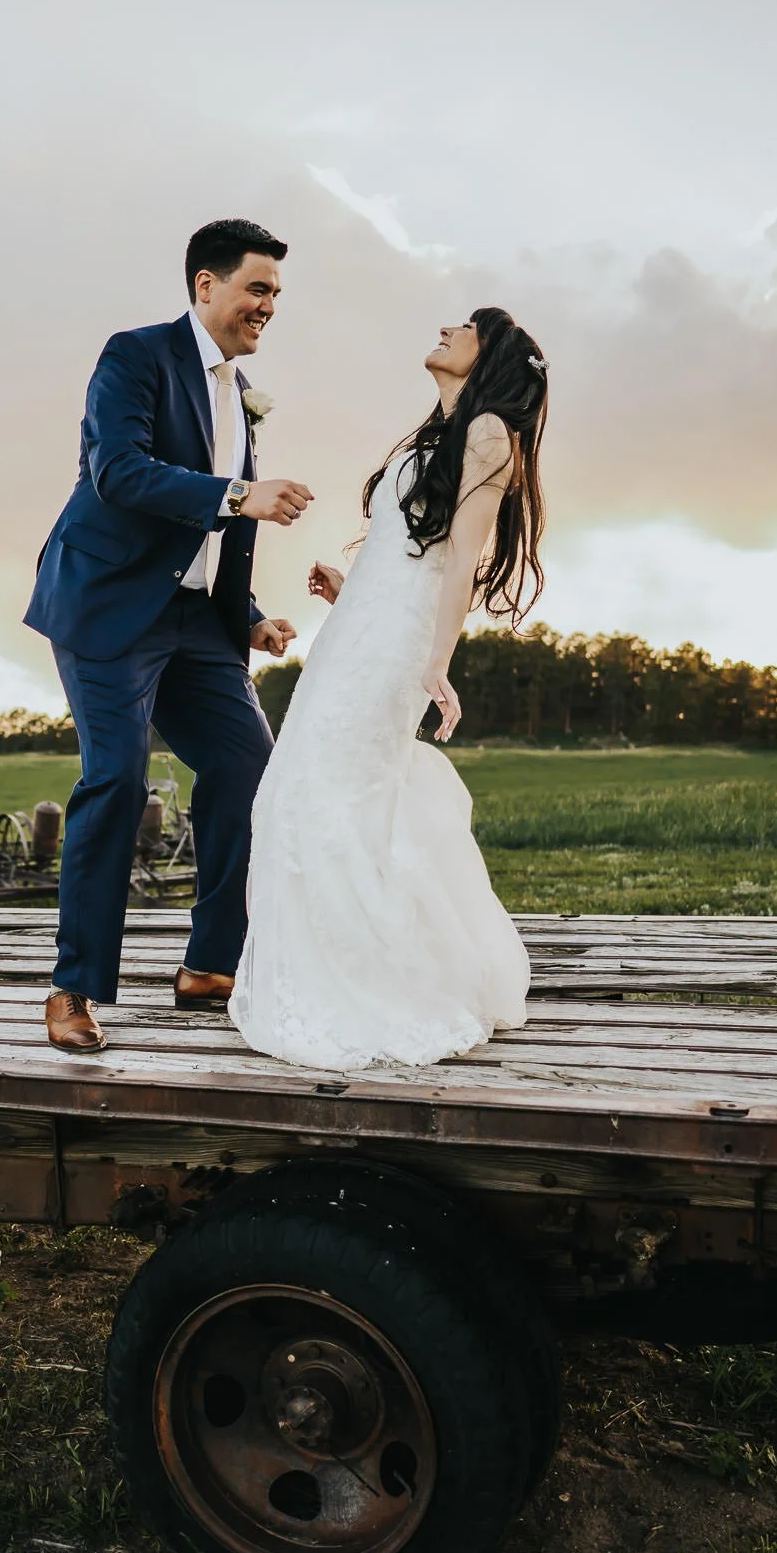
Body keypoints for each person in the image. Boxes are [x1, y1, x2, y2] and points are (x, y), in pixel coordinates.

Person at [23, 219, 316, 1052]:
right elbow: (118, 471)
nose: (268, 306)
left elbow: (210, 530)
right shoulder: (135, 356)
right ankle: (73, 988)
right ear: (204, 285)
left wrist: (250, 612)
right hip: (109, 604)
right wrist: (238, 493)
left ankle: (210, 964)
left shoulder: (242, 395)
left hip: (197, 621)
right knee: (115, 779)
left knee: (247, 767)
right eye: (257, 288)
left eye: (276, 295)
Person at [229, 307, 548, 1070]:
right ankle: (330, 970)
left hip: (397, 649)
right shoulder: (437, 434)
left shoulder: (489, 433)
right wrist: (351, 588)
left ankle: (374, 982)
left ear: (491, 355)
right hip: (359, 635)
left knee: (329, 792)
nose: (448, 328)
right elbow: (412, 553)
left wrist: (438, 659)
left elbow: (464, 561)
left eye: (467, 326)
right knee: (307, 788)